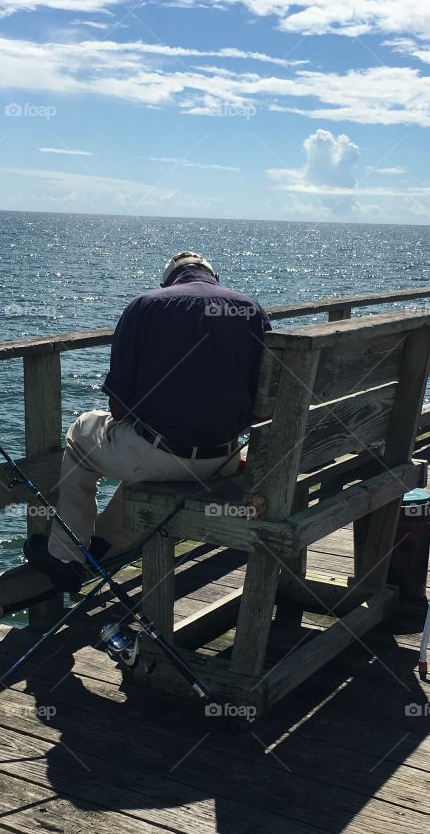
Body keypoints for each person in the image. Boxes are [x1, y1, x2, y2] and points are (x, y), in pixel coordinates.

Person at [24, 250, 271, 591]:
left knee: (83, 432)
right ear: (214, 278)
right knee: (146, 463)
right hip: (223, 461)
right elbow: (263, 409)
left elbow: (119, 409)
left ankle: (65, 555)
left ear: (168, 281)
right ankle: (102, 547)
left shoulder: (146, 305)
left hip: (161, 458)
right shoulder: (251, 309)